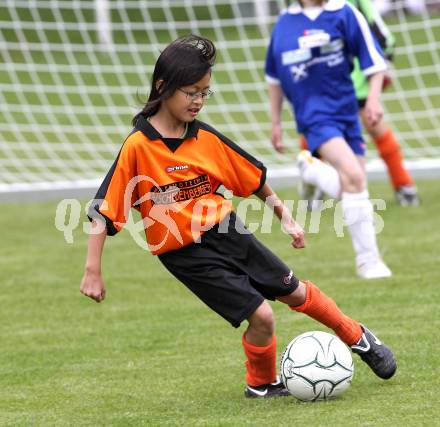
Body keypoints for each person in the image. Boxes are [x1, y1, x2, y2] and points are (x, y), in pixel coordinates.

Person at [80, 35, 396, 399]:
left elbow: (254, 178)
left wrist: (285, 217)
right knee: (261, 315)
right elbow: (102, 211)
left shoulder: (206, 139)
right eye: (191, 92)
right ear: (162, 86)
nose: (198, 101)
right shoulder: (138, 146)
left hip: (228, 231)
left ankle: (358, 337)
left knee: (294, 292)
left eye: (204, 92)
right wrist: (93, 269)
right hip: (184, 254)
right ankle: (261, 384)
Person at [266, 0, 393, 279]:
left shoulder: (345, 13)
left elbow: (375, 62)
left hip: (347, 114)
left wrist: (373, 101)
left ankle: (310, 169)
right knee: (354, 178)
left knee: (355, 186)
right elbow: (274, 79)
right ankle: (369, 262)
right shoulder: (285, 25)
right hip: (314, 118)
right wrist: (276, 122)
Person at [298, 0, 420, 206]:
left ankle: (403, 185)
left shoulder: (354, 4)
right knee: (315, 132)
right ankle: (314, 187)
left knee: (374, 125)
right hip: (321, 82)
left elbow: (382, 36)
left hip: (355, 80)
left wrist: (382, 66)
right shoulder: (301, 8)